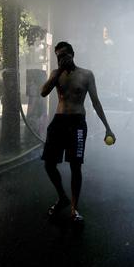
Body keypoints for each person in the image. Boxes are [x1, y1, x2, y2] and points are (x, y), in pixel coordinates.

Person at [40, 41, 115, 223]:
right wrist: (58, 71)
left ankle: (74, 208)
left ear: (72, 54)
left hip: (77, 123)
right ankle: (62, 198)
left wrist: (107, 127)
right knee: (49, 164)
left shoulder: (86, 75)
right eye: (58, 56)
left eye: (65, 54)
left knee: (75, 166)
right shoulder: (56, 74)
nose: (62, 58)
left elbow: (96, 102)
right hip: (59, 121)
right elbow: (43, 92)